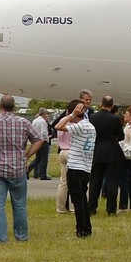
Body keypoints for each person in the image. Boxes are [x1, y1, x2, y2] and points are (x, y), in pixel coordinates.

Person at [0, 95, 45, 243]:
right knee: (19, 204)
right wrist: (27, 156)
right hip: (18, 168)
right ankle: (21, 236)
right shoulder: (23, 122)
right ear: (14, 107)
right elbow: (39, 139)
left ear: (0, 107)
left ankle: (1, 238)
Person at [55, 99, 95, 238]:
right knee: (83, 199)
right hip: (86, 167)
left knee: (77, 201)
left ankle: (81, 230)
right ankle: (87, 228)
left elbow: (58, 126)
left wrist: (71, 115)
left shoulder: (80, 126)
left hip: (75, 167)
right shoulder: (89, 126)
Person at [87, 96, 124, 216]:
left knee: (95, 181)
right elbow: (121, 136)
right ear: (112, 106)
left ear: (101, 104)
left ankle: (91, 207)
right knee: (112, 181)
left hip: (97, 152)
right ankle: (111, 209)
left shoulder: (92, 117)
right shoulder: (115, 118)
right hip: (112, 152)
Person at [27, 108, 52, 180]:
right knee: (44, 158)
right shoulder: (43, 121)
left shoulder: (35, 120)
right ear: (44, 114)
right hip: (43, 141)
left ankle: (28, 170)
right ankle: (43, 175)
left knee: (38, 158)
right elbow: (44, 132)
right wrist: (46, 140)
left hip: (36, 141)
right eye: (46, 113)